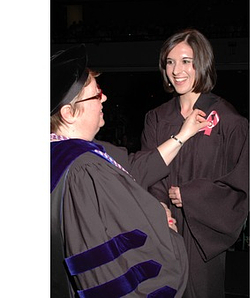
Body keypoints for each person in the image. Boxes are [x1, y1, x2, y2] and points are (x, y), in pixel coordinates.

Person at [51, 44, 210, 298]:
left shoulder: (63, 153)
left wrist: (183, 134)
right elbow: (114, 265)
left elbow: (133, 168)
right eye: (96, 94)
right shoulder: (86, 170)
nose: (104, 98)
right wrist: (163, 223)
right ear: (69, 113)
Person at [140, 29, 249, 298]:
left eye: (186, 61)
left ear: (202, 63)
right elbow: (146, 170)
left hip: (204, 239)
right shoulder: (156, 118)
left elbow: (241, 187)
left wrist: (190, 195)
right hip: (162, 232)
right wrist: (160, 208)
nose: (177, 70)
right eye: (170, 62)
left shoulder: (230, 122)